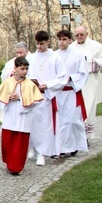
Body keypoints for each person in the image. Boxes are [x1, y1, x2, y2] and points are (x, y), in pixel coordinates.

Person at [0, 57, 43, 174]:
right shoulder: (7, 82)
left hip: (23, 118)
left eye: (26, 69)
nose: (25, 71)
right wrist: (8, 98)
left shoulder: (30, 84)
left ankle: (17, 167)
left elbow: (35, 102)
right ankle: (9, 163)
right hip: (10, 116)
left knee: (19, 144)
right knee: (8, 143)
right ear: (15, 68)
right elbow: (0, 100)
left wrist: (20, 98)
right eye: (22, 69)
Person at [27, 31, 68, 166]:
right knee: (32, 124)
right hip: (33, 96)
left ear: (48, 42)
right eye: (37, 44)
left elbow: (63, 78)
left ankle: (42, 153)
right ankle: (32, 147)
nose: (39, 47)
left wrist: (48, 85)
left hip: (47, 96)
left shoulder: (55, 58)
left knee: (45, 125)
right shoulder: (31, 58)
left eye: (42, 44)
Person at [54, 29, 89, 157]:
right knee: (59, 121)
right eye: (59, 39)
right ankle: (60, 148)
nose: (61, 42)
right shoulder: (54, 55)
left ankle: (73, 146)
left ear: (70, 40)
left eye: (64, 39)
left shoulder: (77, 55)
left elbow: (83, 73)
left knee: (72, 120)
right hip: (57, 93)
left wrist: (70, 78)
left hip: (70, 91)